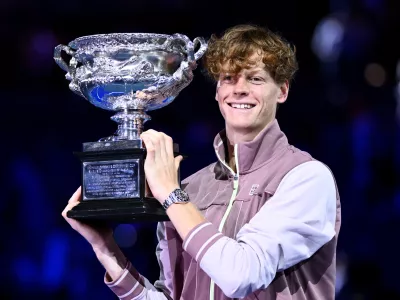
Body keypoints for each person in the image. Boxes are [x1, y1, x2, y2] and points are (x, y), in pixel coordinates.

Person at [62, 24, 341, 300]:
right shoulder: (190, 189)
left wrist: (170, 195)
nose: (239, 89)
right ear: (218, 92)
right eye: (229, 78)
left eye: (255, 79)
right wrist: (105, 248)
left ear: (282, 91)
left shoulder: (306, 178)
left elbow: (241, 275)